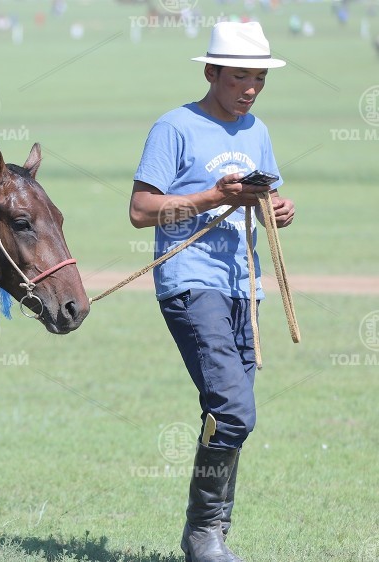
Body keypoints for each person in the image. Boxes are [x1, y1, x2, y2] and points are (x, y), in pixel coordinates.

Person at [129, 21, 295, 562]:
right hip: (190, 280)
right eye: (239, 76)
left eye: (259, 79)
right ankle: (203, 536)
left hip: (242, 286)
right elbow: (140, 211)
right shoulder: (174, 127)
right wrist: (211, 197)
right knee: (234, 410)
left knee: (227, 412)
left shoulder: (258, 131)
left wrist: (279, 209)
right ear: (211, 72)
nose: (249, 88)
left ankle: (212, 534)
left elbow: (265, 196)